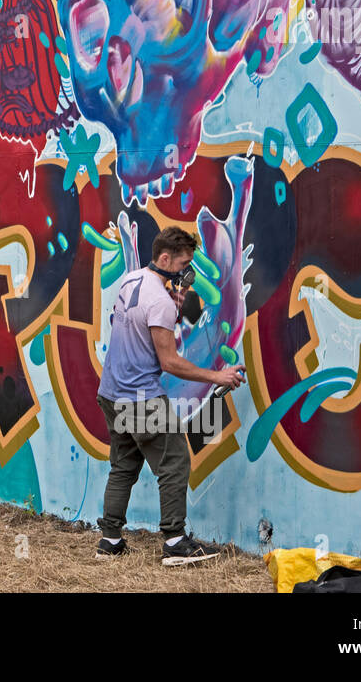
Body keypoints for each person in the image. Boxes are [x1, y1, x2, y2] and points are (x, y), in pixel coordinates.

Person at [95, 225, 246, 566]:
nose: (186, 272)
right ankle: (175, 541)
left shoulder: (133, 280)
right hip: (141, 398)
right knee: (175, 461)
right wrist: (217, 375)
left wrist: (174, 304)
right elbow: (169, 361)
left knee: (123, 466)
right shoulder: (160, 300)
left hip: (111, 393)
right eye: (183, 264)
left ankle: (110, 540)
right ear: (165, 258)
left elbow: (142, 326)